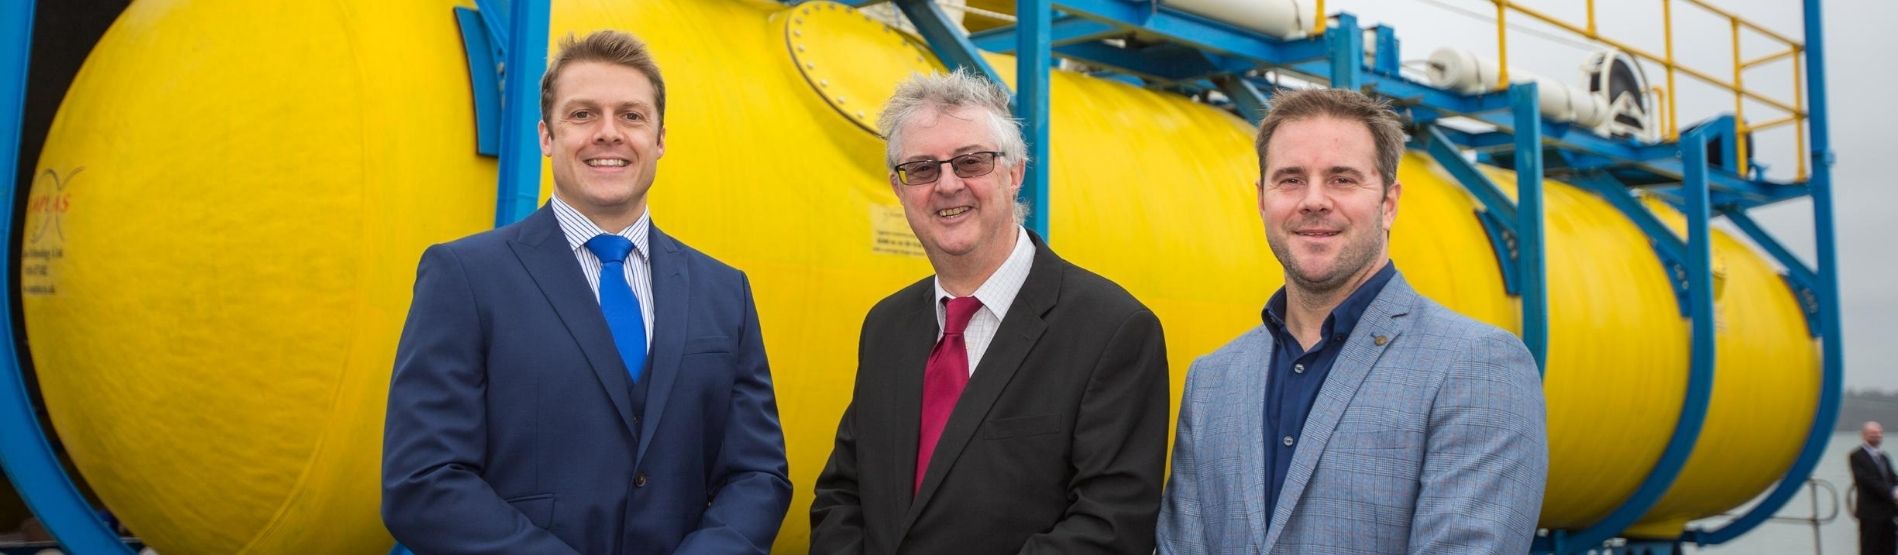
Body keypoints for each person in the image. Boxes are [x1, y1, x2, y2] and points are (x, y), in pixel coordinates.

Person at [381, 30, 790, 554]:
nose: (608, 134)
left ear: (660, 139)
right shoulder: (464, 276)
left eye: (632, 116)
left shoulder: (724, 291)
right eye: (582, 115)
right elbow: (423, 481)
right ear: (546, 137)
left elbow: (757, 474)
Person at [1156, 87, 1548, 554]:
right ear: (1262, 200)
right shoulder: (1213, 380)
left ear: (1389, 203)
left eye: (1342, 179)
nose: (1314, 200)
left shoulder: (1476, 366)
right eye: (1290, 179)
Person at [808, 70, 1169, 554]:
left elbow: (1111, 526)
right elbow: (842, 494)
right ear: (899, 189)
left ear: (1015, 171)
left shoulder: (1112, 330)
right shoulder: (886, 327)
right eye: (921, 169)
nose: (947, 185)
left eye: (971, 162)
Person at [1851, 421, 1897, 555]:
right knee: (1870, 548)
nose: (1876, 436)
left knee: (1889, 547)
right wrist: (1892, 493)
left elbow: (1892, 477)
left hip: (1888, 512)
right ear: (1864, 435)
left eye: (1879, 433)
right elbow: (1868, 480)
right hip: (1870, 513)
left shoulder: (1884, 457)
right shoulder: (1856, 456)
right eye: (1872, 433)